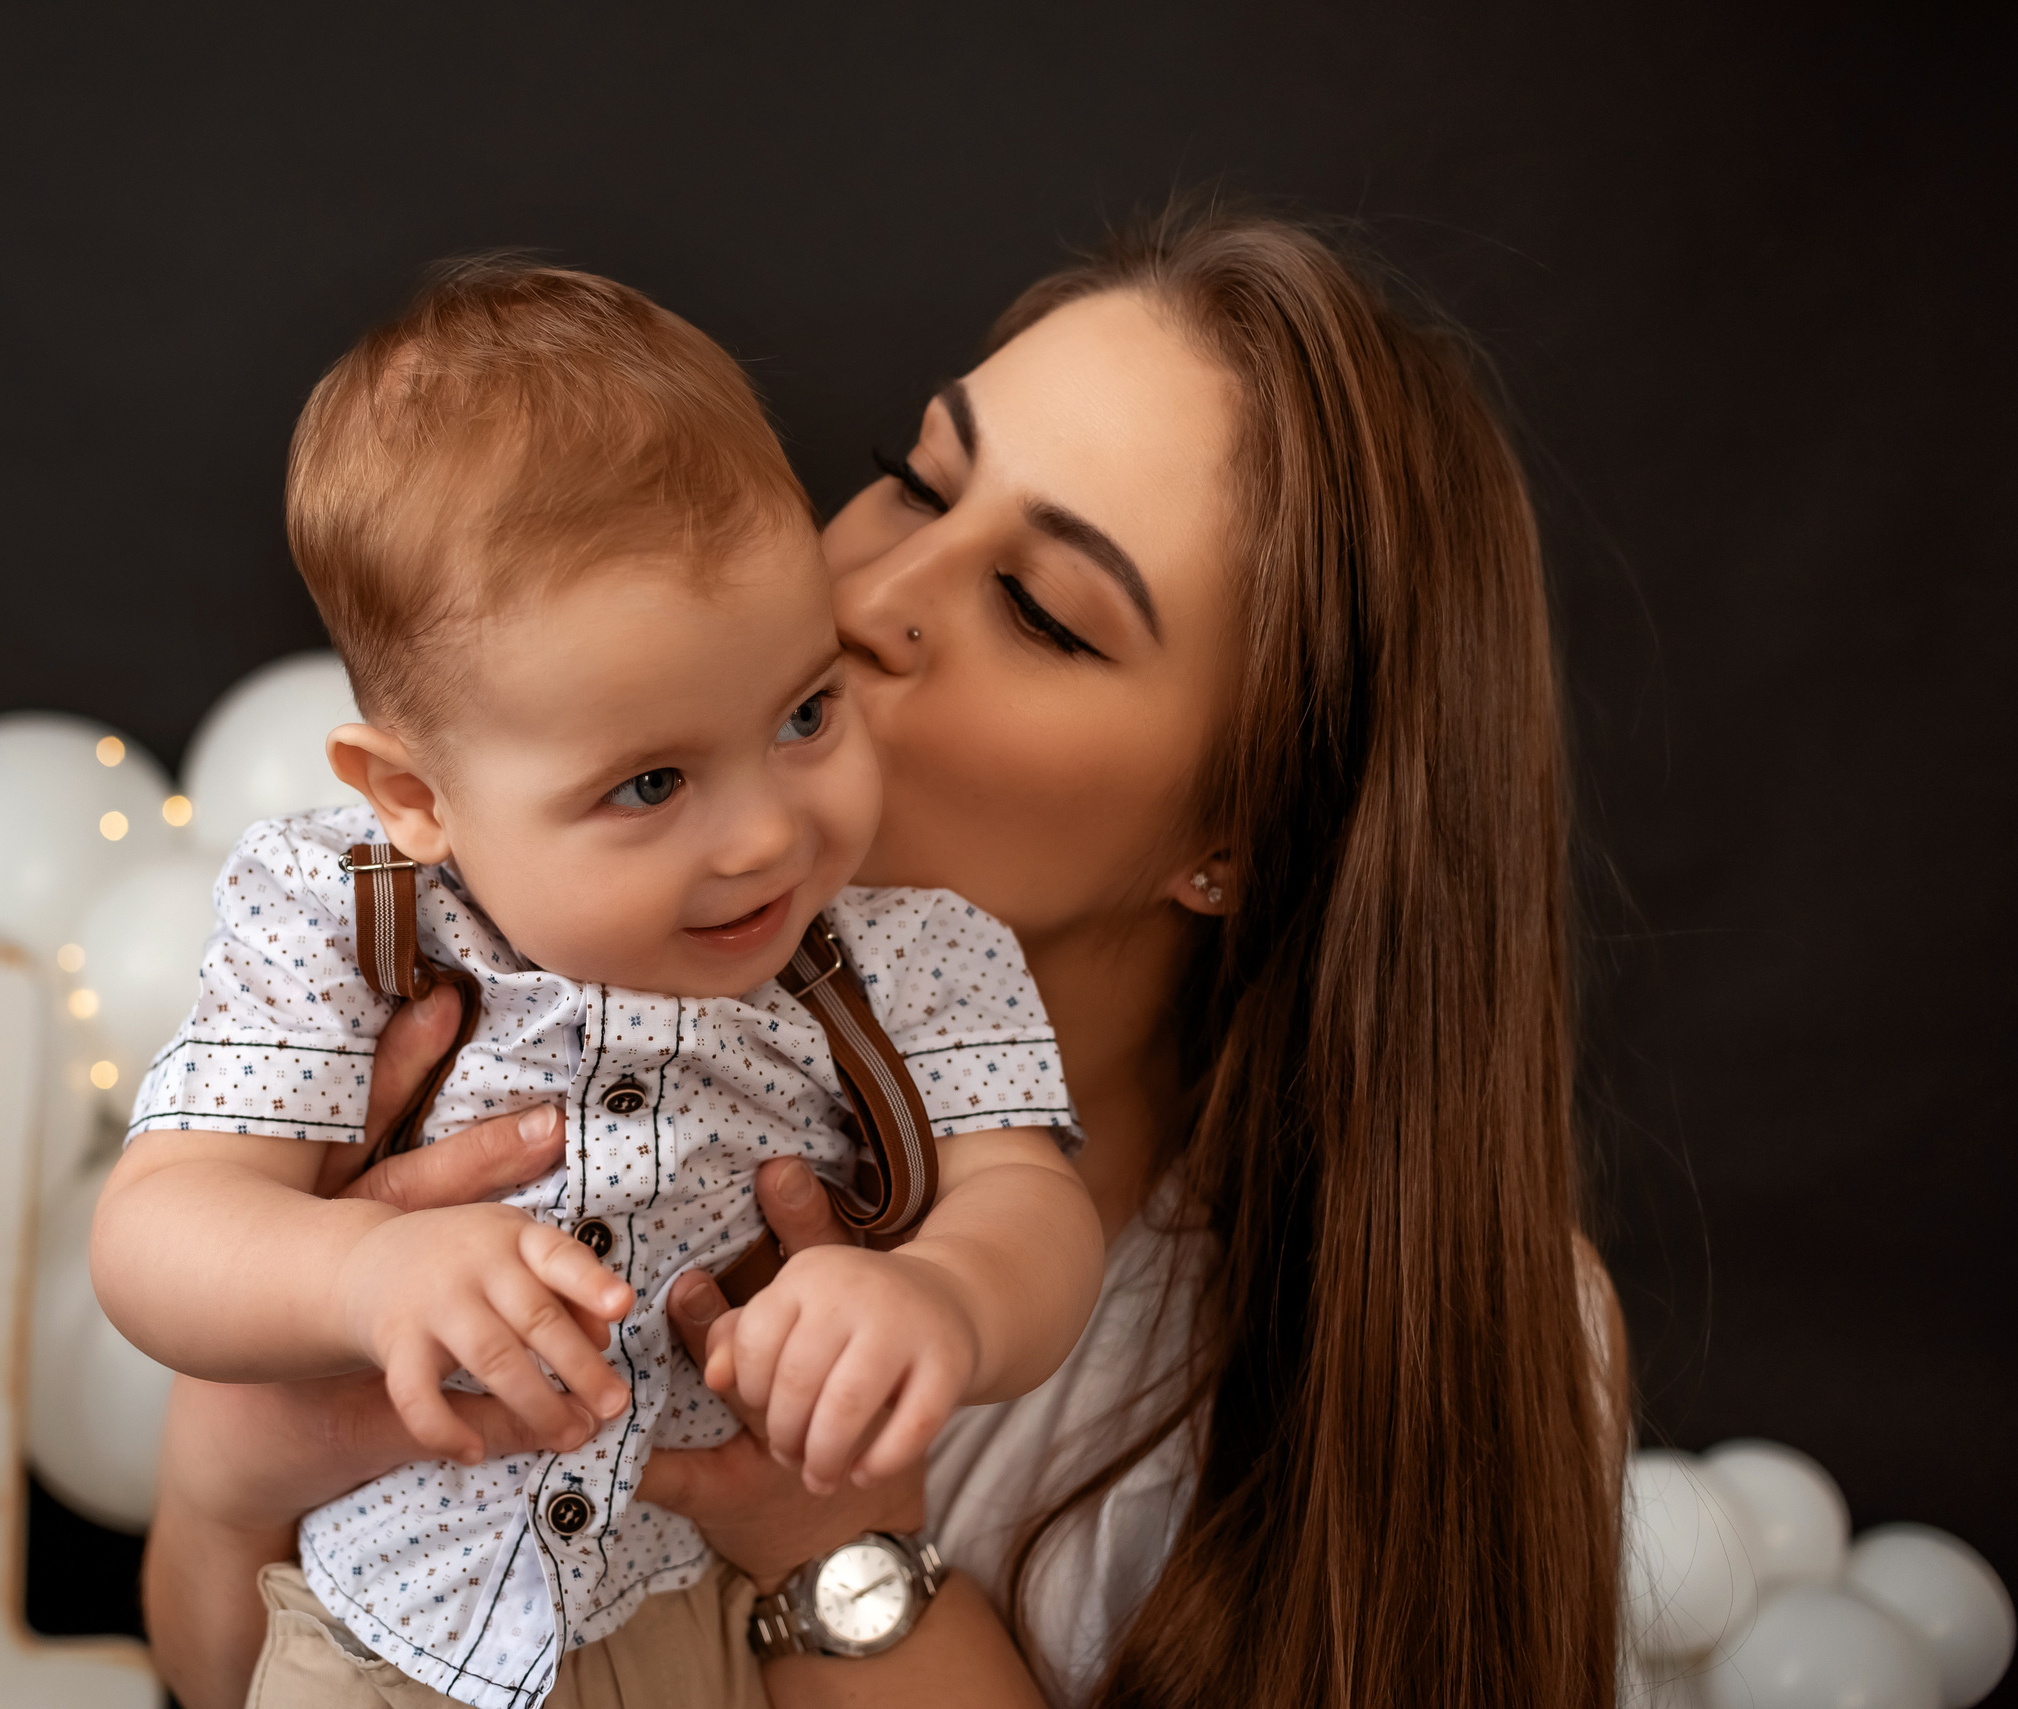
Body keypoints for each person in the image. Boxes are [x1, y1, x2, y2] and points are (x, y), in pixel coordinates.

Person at [142, 201, 1630, 1709]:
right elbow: (217, 1670)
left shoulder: (1440, 1328)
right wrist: (236, 1459)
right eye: (915, 485)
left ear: (1238, 836)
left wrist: (837, 1551)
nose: (859, 602)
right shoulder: (449, 988)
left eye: (1043, 612)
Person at [89, 263, 1104, 1709]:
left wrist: (944, 1295)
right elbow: (157, 1227)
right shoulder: (347, 916)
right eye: (649, 782)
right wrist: (362, 1270)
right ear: (413, 795)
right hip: (397, 1631)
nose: (766, 832)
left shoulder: (902, 955)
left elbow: (1031, 1201)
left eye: (804, 711)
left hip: (707, 1621)